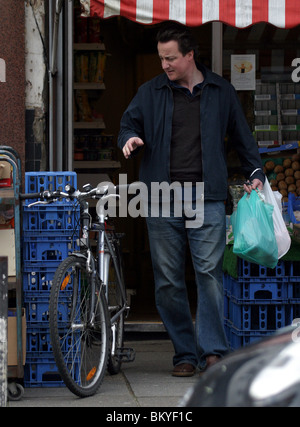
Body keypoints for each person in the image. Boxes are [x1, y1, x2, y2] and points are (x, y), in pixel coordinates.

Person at [118, 22, 264, 377]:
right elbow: (128, 123)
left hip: (207, 197)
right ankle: (184, 352)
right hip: (160, 197)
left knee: (209, 275)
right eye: (161, 58)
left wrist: (255, 172)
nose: (165, 64)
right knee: (168, 279)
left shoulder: (220, 91)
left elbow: (242, 136)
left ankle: (213, 351)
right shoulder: (150, 92)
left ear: (189, 55)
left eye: (170, 58)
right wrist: (130, 138)